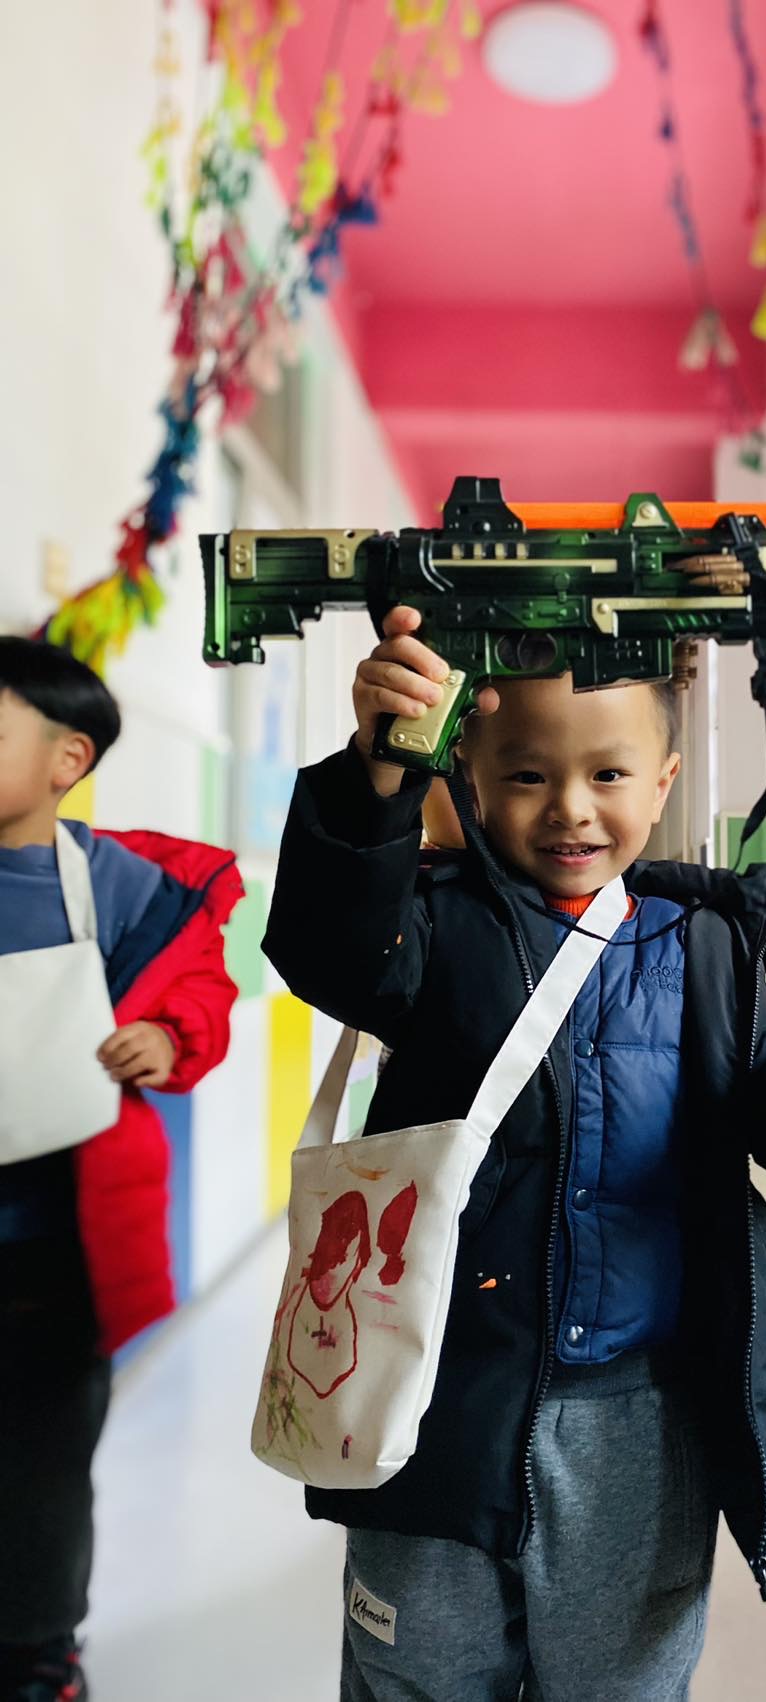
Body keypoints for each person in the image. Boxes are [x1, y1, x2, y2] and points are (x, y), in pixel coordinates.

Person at [264, 607, 766, 1702]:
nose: (568, 806)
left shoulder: (704, 941)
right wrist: (375, 774)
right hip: (437, 1400)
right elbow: (333, 948)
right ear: (465, 776)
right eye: (525, 775)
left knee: (625, 1680)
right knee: (420, 1670)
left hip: (641, 1420)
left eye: (607, 773)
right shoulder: (430, 923)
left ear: (661, 782)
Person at [0, 638, 243, 1702]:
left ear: (69, 759)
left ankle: (37, 1656)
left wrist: (167, 1035)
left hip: (54, 1255)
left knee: (42, 1472)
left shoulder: (114, 883)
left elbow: (201, 989)